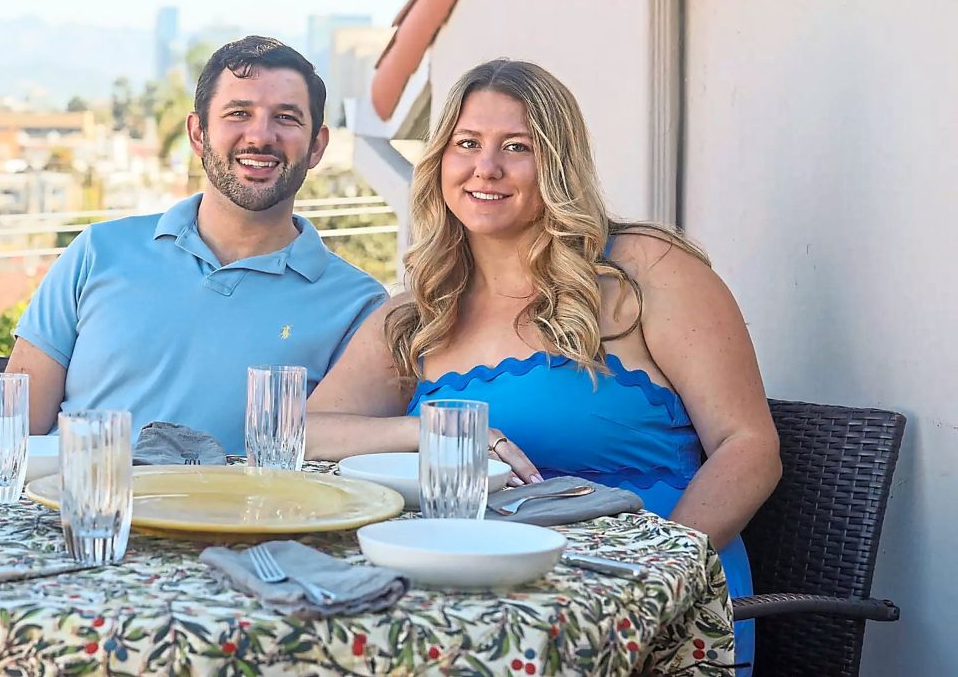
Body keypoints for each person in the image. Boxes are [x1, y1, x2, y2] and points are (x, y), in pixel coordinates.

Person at [306, 59, 780, 671]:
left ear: (558, 161)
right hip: (486, 605)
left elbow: (749, 446)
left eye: (516, 147)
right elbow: (309, 431)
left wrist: (657, 572)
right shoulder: (420, 312)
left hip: (650, 601)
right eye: (467, 144)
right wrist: (428, 431)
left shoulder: (646, 272)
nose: (487, 168)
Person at [8, 36, 386, 451]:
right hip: (82, 510)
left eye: (286, 117)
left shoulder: (359, 305)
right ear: (198, 134)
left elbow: (336, 463)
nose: (260, 135)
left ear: (316, 146)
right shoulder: (97, 251)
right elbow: (11, 434)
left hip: (242, 515)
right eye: (238, 113)